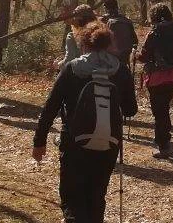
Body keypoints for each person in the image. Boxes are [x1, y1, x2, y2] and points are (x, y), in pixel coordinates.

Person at [33, 21, 138, 223]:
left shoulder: (72, 68)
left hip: (74, 142)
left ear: (83, 44)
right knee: (96, 196)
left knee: (72, 199)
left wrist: (39, 141)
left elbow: (50, 107)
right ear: (108, 44)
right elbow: (131, 110)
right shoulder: (121, 70)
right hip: (108, 142)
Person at [136, 2, 173, 158]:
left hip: (156, 77)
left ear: (153, 16)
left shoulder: (153, 33)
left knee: (159, 112)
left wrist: (136, 55)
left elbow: (144, 56)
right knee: (164, 108)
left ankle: (163, 145)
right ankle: (163, 141)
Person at [102, 0, 138, 66]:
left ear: (106, 9)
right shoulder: (127, 21)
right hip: (125, 55)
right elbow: (135, 40)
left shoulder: (105, 21)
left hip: (110, 57)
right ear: (117, 7)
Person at [58, 4, 97, 69]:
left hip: (82, 71)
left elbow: (69, 60)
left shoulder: (72, 37)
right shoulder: (100, 32)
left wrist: (58, 64)